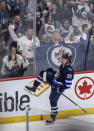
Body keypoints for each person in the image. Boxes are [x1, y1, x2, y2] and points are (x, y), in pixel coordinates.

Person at [25, 52, 74, 124]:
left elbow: (68, 84)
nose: (62, 60)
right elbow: (59, 75)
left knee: (52, 100)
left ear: (68, 60)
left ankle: (52, 117)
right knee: (43, 73)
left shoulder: (69, 70)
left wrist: (59, 88)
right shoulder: (62, 66)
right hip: (55, 81)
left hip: (59, 86)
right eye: (62, 59)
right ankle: (34, 87)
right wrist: (53, 71)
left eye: (64, 59)